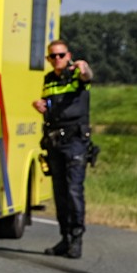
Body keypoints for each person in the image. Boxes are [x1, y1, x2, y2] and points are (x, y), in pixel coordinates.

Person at [32, 39, 94, 258]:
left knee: (73, 190)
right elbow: (50, 105)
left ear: (69, 56)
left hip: (75, 140)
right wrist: (41, 106)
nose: (57, 59)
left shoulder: (76, 74)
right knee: (59, 192)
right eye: (53, 56)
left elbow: (87, 76)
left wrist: (84, 67)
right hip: (54, 140)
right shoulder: (48, 79)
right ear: (49, 59)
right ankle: (65, 237)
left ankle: (77, 238)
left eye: (61, 55)